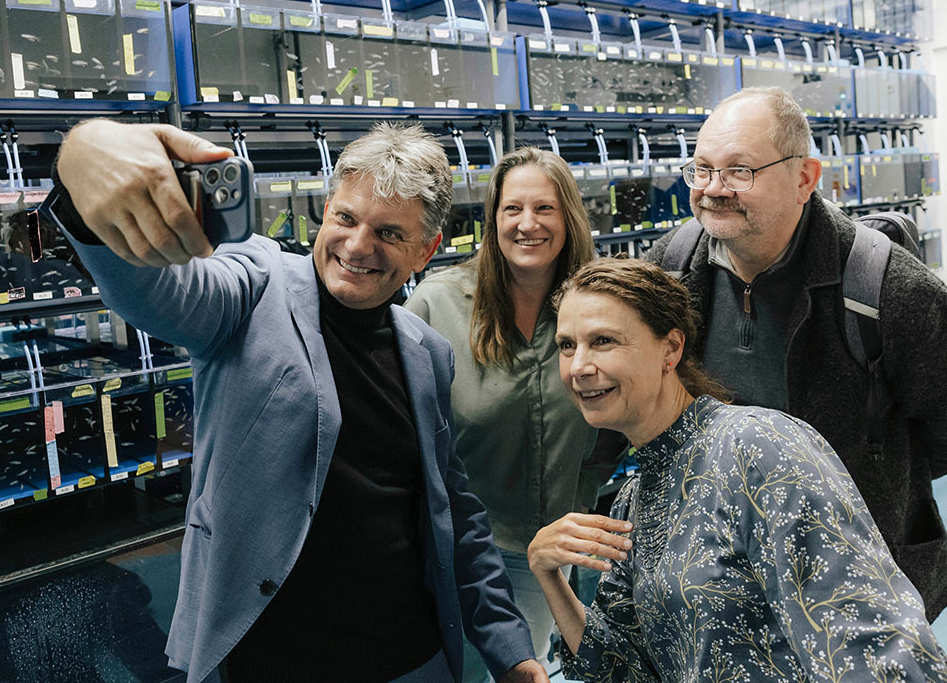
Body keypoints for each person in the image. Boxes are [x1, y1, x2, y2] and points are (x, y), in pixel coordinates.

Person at [47, 118, 547, 683]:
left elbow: (452, 509)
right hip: (275, 659)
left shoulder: (427, 351)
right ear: (327, 208)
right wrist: (82, 161)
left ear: (425, 250)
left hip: (411, 657)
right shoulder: (255, 286)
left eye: (388, 233)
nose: (358, 247)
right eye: (346, 218)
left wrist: (511, 647)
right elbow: (157, 294)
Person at [528, 257, 947, 681]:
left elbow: (868, 639)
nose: (579, 366)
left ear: (671, 349)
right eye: (567, 345)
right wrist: (550, 576)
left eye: (603, 341)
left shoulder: (756, 448)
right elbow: (621, 671)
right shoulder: (634, 501)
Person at [644, 86, 947, 618]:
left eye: (740, 170)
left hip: (856, 596)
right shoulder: (670, 269)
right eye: (702, 169)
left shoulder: (890, 291)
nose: (714, 189)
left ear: (805, 178)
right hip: (721, 584)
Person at [404, 147, 623, 678]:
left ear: (568, 217)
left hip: (544, 556)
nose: (528, 224)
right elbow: (396, 427)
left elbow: (624, 412)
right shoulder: (438, 304)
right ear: (493, 219)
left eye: (544, 209)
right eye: (512, 209)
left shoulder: (596, 305)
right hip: (453, 549)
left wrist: (583, 485)